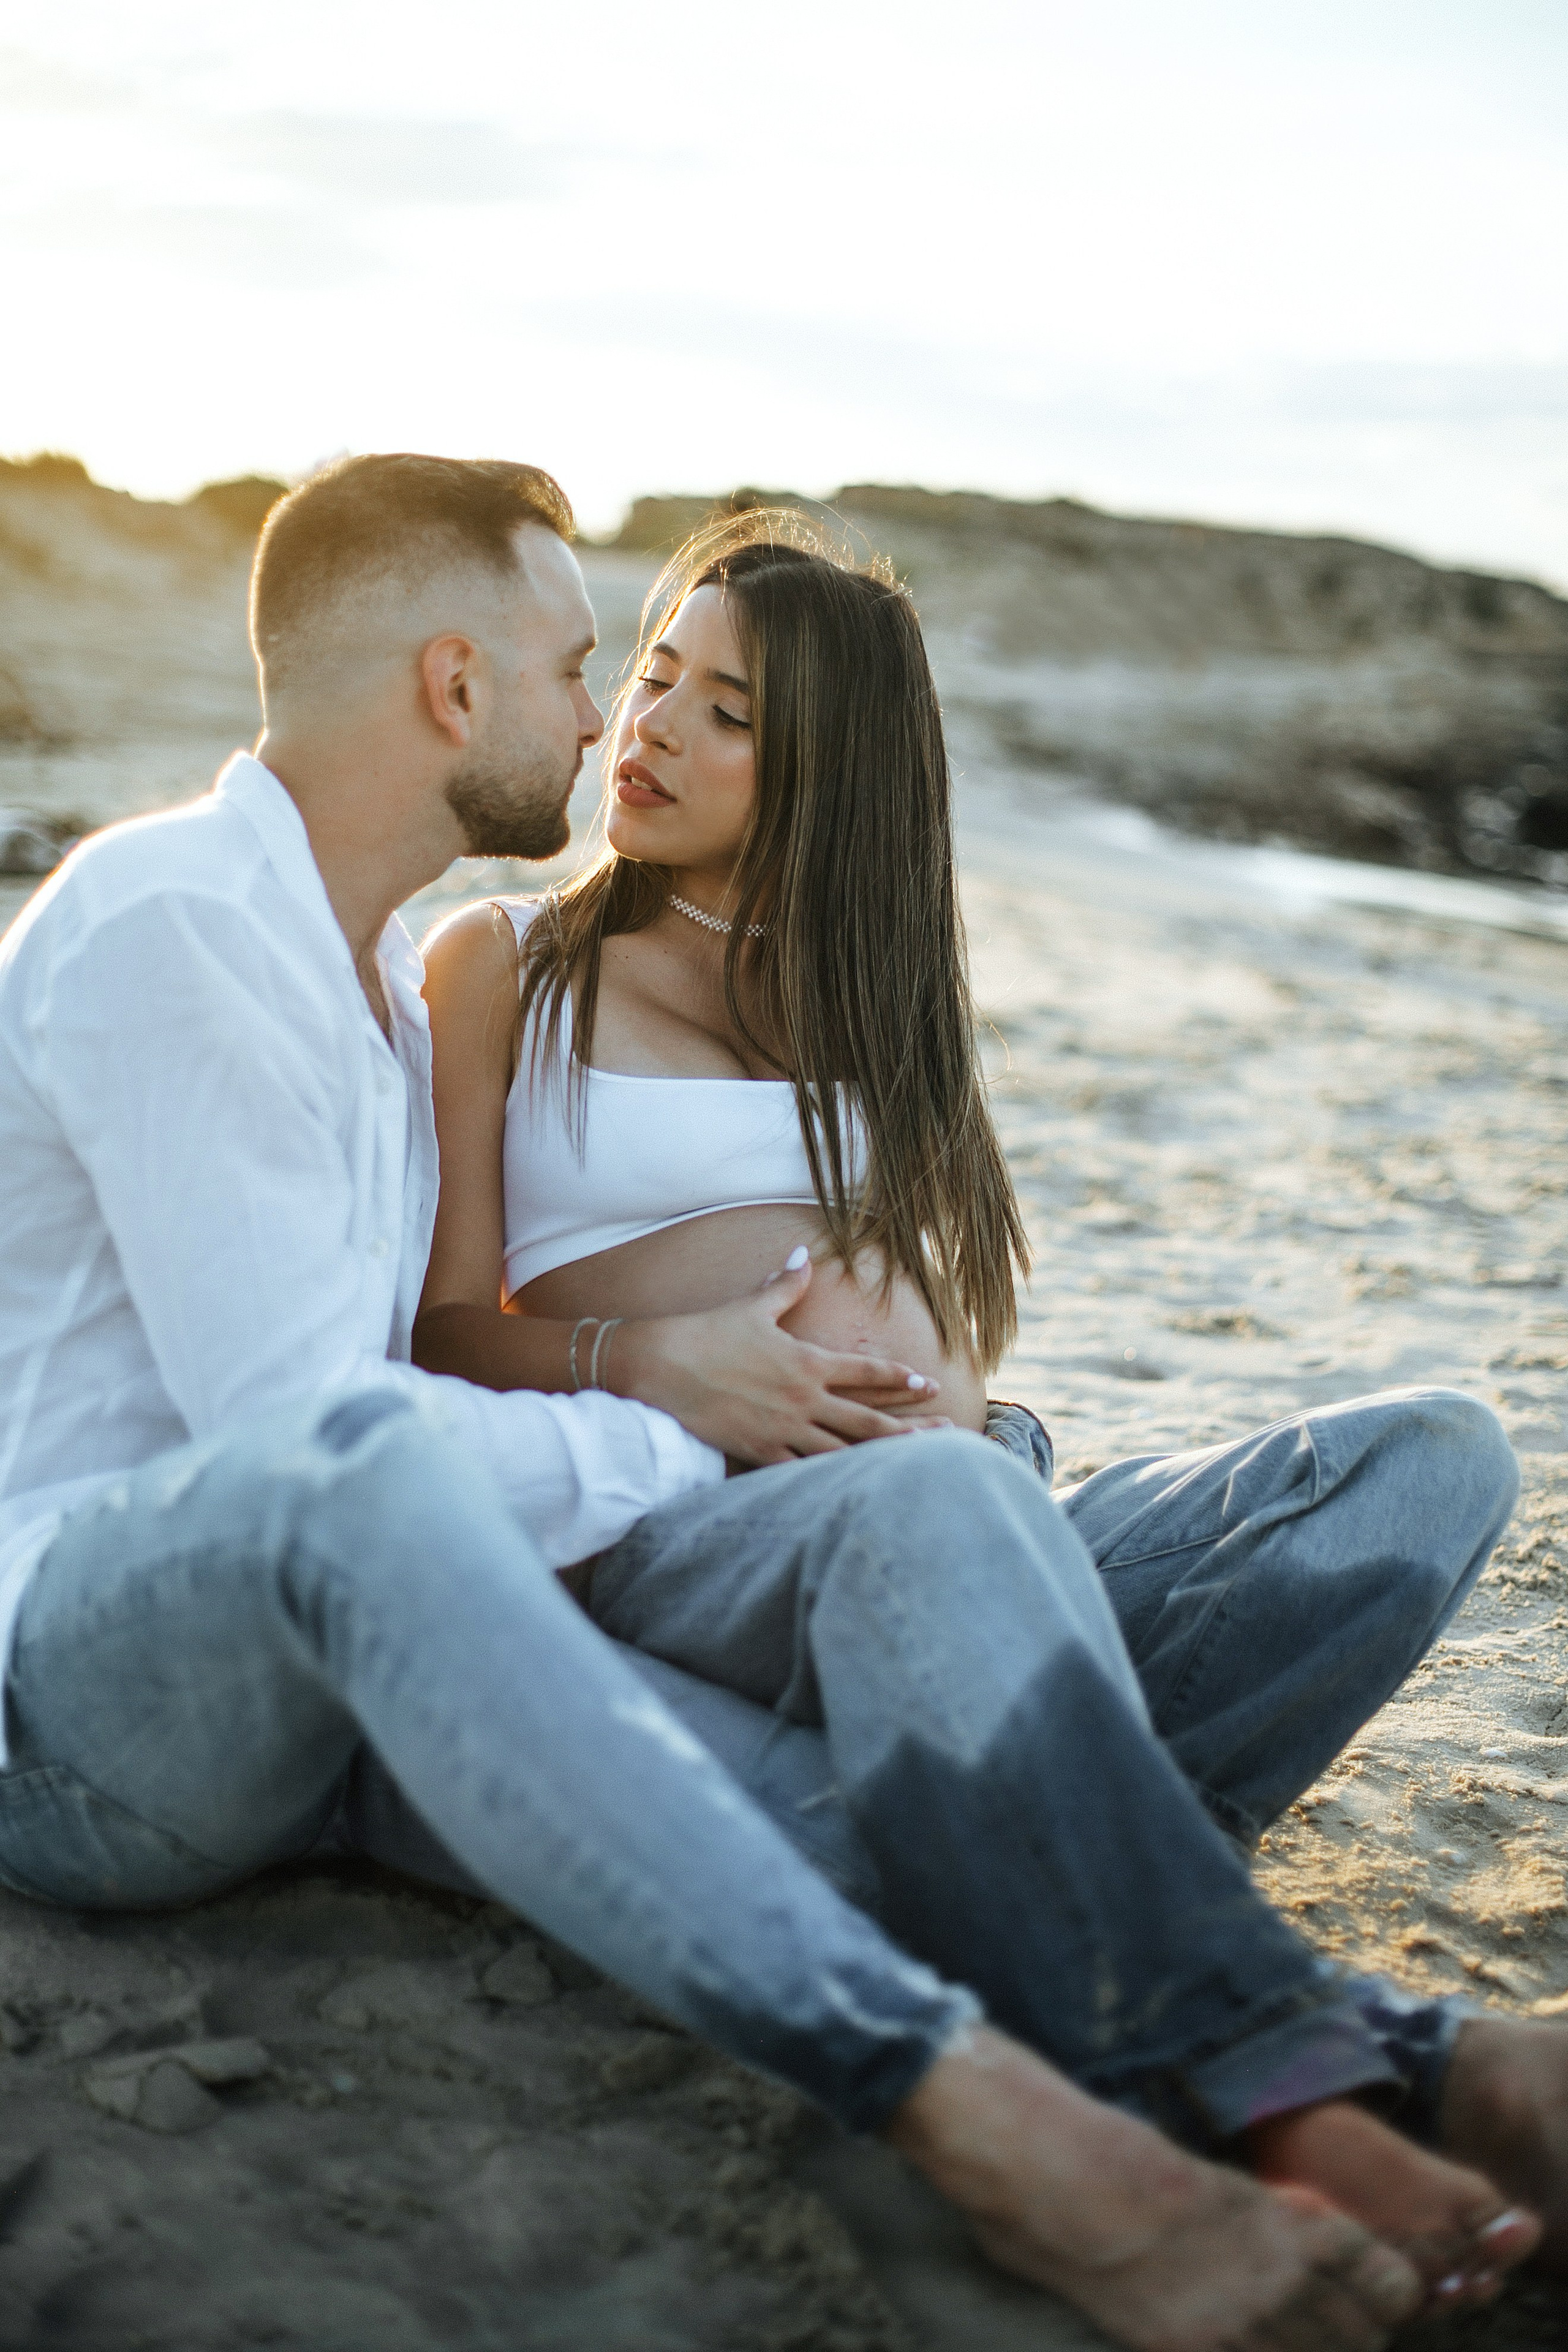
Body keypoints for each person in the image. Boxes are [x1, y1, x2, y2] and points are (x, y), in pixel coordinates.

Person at [0, 453, 1539, 2352]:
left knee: (1237, 1507)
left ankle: (1152, 1894)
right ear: (457, 687)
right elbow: (343, 1418)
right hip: (173, 1663)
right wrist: (687, 1382)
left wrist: (889, 1401)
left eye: (675, 692)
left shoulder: (373, 983)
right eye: (601, 666)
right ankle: (1198, 2064)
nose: (611, 717)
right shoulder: (226, 933)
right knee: (858, 1593)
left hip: (429, 1625)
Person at [410, 502, 1568, 2316]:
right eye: (654, 679)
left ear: (825, 779)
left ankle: (1006, 1826)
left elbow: (957, 1319)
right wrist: (659, 1346)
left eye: (728, 716)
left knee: (1434, 1465)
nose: (651, 733)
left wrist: (943, 1378)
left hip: (960, 1509)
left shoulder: (883, 1013)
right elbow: (439, 1330)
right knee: (939, 1518)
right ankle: (1313, 2070)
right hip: (667, 1533)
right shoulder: (504, 968)